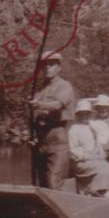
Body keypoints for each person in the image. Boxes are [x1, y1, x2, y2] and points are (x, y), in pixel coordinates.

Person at [30, 51, 76, 189]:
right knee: (40, 184)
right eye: (44, 65)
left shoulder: (65, 86)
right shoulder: (39, 90)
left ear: (59, 68)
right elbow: (34, 116)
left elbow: (57, 105)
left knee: (53, 182)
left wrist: (39, 105)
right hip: (40, 142)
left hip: (57, 140)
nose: (47, 68)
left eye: (51, 65)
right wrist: (31, 134)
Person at [67, 100, 109, 197]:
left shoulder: (91, 127)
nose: (85, 116)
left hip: (93, 160)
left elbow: (97, 145)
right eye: (82, 114)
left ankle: (103, 190)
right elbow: (72, 151)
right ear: (78, 115)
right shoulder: (74, 129)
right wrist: (88, 156)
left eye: (87, 114)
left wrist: (101, 154)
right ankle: (95, 191)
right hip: (80, 162)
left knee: (107, 165)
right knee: (103, 168)